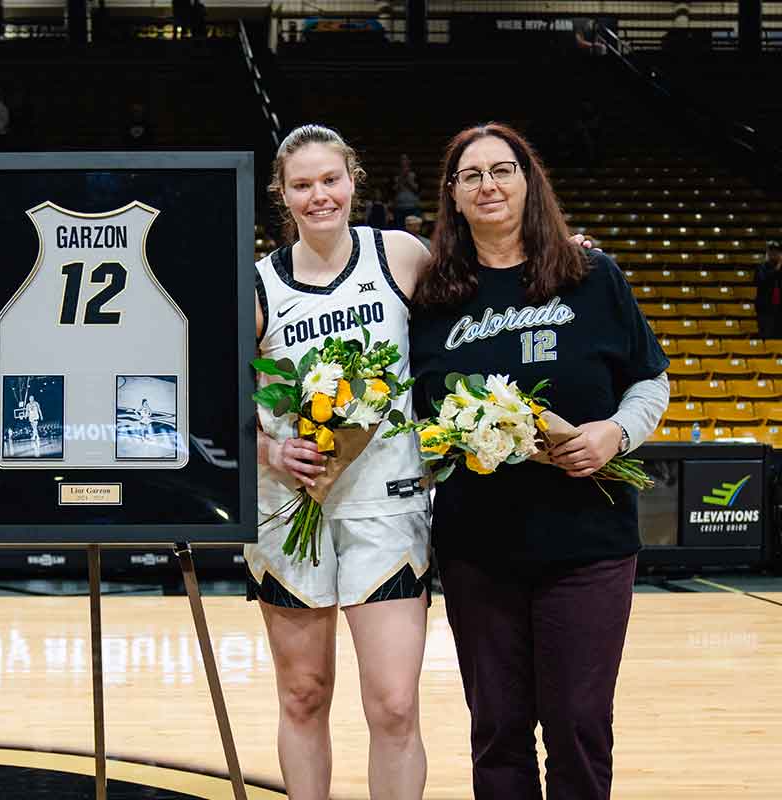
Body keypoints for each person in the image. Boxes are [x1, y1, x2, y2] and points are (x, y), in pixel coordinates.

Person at [408, 122, 669, 800]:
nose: (488, 185)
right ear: (453, 196)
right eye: (471, 176)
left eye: (503, 170)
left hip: (589, 540)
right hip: (478, 546)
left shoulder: (592, 275)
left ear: (529, 182)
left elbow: (651, 378)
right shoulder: (433, 298)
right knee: (497, 727)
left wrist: (616, 433)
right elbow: (415, 415)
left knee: (578, 723)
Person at [247, 124, 433, 800]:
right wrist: (269, 448)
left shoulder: (404, 257)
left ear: (354, 179)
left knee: (393, 705)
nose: (319, 195)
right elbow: (213, 403)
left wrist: (564, 258)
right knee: (302, 695)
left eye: (331, 179)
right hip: (289, 507)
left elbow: (480, 316)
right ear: (283, 196)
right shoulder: (257, 285)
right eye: (302, 185)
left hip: (386, 502)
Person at [755, 240, 782, 339]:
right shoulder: (761, 267)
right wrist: (777, 268)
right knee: (767, 335)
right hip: (766, 309)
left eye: (776, 252)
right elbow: (763, 280)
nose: (773, 254)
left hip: (779, 309)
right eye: (771, 251)